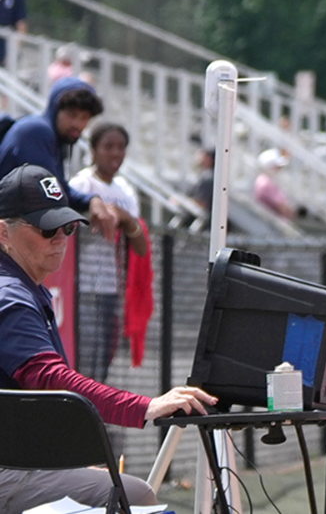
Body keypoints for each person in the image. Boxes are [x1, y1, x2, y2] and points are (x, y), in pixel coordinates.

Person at [0, 164, 216, 512]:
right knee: (138, 496)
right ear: (3, 233)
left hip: (16, 461)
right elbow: (51, 383)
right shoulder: (10, 294)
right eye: (46, 227)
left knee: (130, 490)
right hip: (7, 470)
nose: (60, 237)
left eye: (68, 226)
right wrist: (145, 406)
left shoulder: (19, 286)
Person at [66, 123, 147, 384]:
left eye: (121, 147)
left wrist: (125, 219)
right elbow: (66, 231)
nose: (115, 153)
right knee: (85, 356)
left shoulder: (126, 190)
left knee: (104, 357)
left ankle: (96, 417)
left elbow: (142, 247)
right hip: (82, 286)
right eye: (108, 146)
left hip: (111, 288)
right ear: (93, 150)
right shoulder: (82, 183)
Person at [0, 77, 118, 238]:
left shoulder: (54, 140)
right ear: (55, 110)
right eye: (72, 115)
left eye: (84, 117)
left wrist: (92, 200)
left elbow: (61, 191)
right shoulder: (37, 131)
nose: (77, 124)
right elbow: (50, 196)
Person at [253, 149, 298, 222]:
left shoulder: (262, 180)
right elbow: (282, 207)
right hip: (272, 223)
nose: (279, 170)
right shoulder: (266, 183)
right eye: (277, 167)